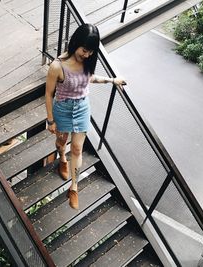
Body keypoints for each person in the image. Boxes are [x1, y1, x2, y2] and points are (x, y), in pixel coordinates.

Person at [45, 24, 126, 209]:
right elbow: (49, 94)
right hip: (63, 110)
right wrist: (50, 120)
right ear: (75, 43)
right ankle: (62, 159)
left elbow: (91, 78)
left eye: (90, 51)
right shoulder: (57, 66)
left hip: (82, 108)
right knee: (61, 142)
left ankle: (73, 187)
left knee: (77, 149)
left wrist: (112, 80)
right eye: (84, 50)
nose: (87, 55)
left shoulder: (88, 61)